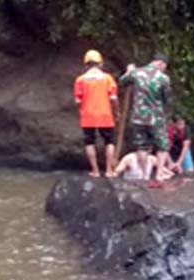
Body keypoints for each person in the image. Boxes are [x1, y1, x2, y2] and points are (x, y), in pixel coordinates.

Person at [119, 53, 172, 181]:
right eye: (164, 66)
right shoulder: (163, 78)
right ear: (161, 64)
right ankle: (159, 174)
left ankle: (143, 175)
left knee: (142, 146)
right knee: (163, 145)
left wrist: (129, 71)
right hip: (156, 118)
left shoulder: (136, 73)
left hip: (138, 117)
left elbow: (122, 81)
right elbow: (167, 100)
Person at [73, 49, 119, 178]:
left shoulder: (80, 80)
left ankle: (95, 171)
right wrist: (117, 112)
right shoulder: (107, 78)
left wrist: (82, 110)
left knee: (89, 142)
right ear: (101, 64)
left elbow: (77, 100)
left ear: (86, 64)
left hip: (88, 116)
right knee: (109, 141)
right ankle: (109, 170)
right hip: (105, 115)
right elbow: (113, 99)